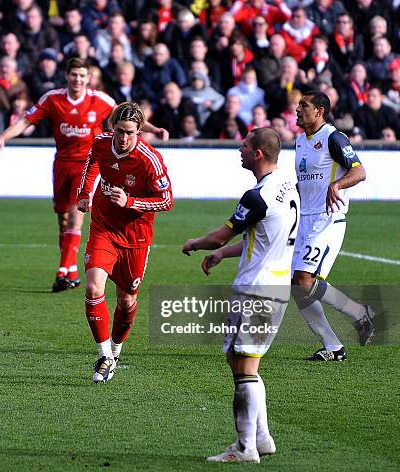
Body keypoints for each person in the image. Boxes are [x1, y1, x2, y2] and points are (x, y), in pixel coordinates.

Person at [0, 58, 168, 292]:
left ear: (88, 78)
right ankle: (70, 271)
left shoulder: (100, 100)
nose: (78, 79)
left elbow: (126, 117)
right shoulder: (53, 99)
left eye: (82, 76)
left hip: (89, 165)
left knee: (76, 217)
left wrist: (154, 129)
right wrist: (3, 136)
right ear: (67, 76)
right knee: (63, 221)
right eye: (74, 75)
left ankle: (61, 273)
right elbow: (26, 120)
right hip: (62, 164)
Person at [182, 127, 299, 463]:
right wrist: (224, 255)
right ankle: (261, 438)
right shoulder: (287, 186)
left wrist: (197, 243)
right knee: (241, 360)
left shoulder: (256, 195)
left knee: (244, 365)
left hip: (256, 289)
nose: (240, 149)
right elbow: (262, 238)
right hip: (275, 285)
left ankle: (245, 447)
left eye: (245, 146)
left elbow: (219, 235)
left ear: (258, 153)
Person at [76, 101, 172, 383]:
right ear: (112, 127)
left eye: (130, 132)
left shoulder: (149, 160)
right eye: (119, 130)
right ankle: (104, 355)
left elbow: (167, 201)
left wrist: (130, 201)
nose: (124, 137)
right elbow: (91, 162)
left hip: (136, 237)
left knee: (127, 300)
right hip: (104, 227)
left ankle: (116, 350)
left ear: (140, 131)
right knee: (94, 287)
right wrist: (85, 192)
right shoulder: (101, 143)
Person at [292, 90, 374, 361]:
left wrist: (337, 184)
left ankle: (359, 313)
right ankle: (334, 347)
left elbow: (359, 171)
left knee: (305, 281)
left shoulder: (334, 137)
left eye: (303, 105)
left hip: (327, 220)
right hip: (304, 221)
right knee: (298, 286)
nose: (297, 109)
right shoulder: (301, 141)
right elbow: (304, 183)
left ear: (319, 111)